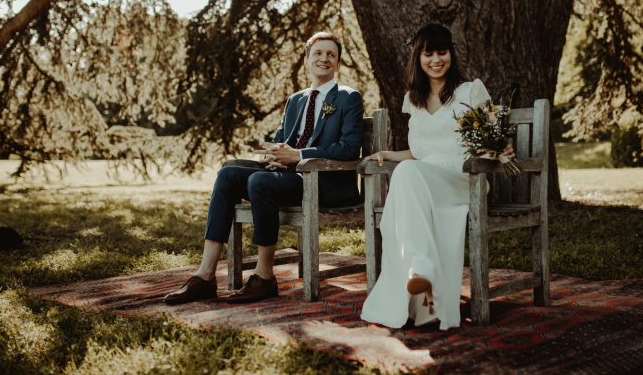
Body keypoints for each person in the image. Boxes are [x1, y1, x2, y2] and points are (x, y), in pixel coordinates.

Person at [164, 31, 364, 304]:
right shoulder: (296, 100)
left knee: (260, 182)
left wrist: (298, 155)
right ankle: (205, 276)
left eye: (331, 54)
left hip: (324, 181)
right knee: (228, 173)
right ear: (306, 60)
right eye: (317, 53)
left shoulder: (348, 98)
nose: (324, 58)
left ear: (338, 63)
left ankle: (264, 277)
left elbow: (350, 147)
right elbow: (282, 139)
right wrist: (274, 153)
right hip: (288, 176)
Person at [360, 23, 514, 330]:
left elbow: (492, 137)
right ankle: (422, 280)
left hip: (464, 180)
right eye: (428, 53)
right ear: (418, 58)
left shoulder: (470, 91)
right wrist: (390, 155)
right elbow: (420, 154)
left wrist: (498, 150)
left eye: (442, 52)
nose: (436, 60)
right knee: (405, 172)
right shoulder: (413, 100)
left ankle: (420, 268)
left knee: (405, 180)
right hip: (426, 180)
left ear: (451, 55)